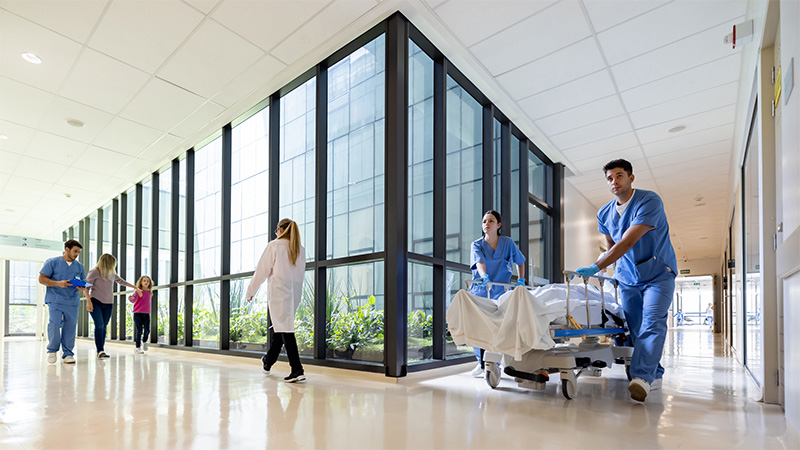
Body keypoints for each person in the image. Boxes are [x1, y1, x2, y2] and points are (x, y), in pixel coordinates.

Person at [573, 159, 677, 402]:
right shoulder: (603, 213)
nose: (614, 181)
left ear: (631, 177)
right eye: (609, 178)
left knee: (653, 321)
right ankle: (655, 372)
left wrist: (596, 265)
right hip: (628, 277)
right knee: (637, 327)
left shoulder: (649, 201)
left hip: (658, 273)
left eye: (619, 176)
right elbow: (611, 247)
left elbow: (627, 242)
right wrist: (607, 269)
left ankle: (641, 378)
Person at [245, 218, 307, 383]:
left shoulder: (274, 246)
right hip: (294, 293)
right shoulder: (300, 249)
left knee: (285, 329)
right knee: (282, 327)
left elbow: (262, 271)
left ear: (281, 230)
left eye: (276, 230)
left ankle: (297, 369)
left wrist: (251, 291)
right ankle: (268, 361)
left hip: (280, 292)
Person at [468, 210, 526, 377]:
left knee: (500, 327)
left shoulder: (507, 243)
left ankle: (499, 361)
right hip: (481, 289)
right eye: (484, 221)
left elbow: (520, 261)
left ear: (499, 225)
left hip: (501, 291)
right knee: (479, 326)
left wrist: (521, 280)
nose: (487, 224)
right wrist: (484, 275)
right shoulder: (477, 244)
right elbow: (479, 262)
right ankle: (481, 362)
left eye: (491, 221)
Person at [39, 240, 88, 364]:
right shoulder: (52, 262)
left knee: (70, 328)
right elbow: (42, 279)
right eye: (75, 251)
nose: (77, 254)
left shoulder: (79, 266)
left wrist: (81, 288)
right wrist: (58, 283)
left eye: (79, 252)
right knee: (54, 324)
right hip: (55, 299)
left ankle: (67, 354)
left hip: (72, 301)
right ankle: (52, 350)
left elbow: (82, 282)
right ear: (67, 249)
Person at [84, 254, 140, 358]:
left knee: (104, 326)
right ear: (107, 263)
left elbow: (122, 282)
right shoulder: (94, 272)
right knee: (99, 325)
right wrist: (88, 301)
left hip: (108, 303)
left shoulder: (112, 274)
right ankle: (100, 351)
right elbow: (86, 288)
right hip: (95, 301)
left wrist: (135, 287)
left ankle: (101, 349)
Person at [129, 276, 153, 354]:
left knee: (147, 330)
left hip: (146, 314)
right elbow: (133, 300)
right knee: (139, 331)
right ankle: (137, 347)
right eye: (144, 281)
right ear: (141, 282)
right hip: (137, 313)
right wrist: (131, 298)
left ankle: (145, 341)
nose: (146, 282)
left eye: (148, 281)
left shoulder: (149, 292)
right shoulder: (138, 291)